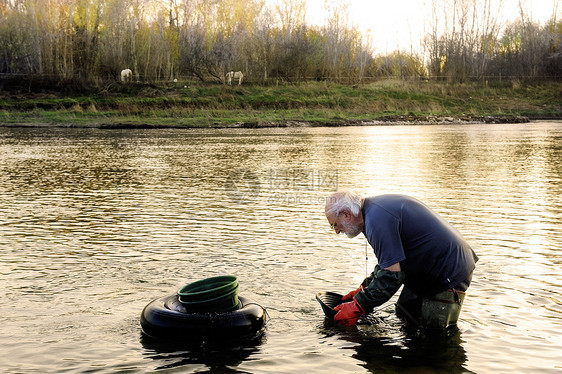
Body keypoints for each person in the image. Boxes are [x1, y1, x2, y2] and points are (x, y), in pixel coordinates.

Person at [324, 191, 478, 329]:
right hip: (425, 268)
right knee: (405, 314)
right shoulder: (372, 212)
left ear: (346, 214)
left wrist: (357, 306)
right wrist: (363, 289)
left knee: (433, 336)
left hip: (448, 270)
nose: (337, 231)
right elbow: (388, 264)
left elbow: (391, 277)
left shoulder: (377, 220)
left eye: (334, 225)